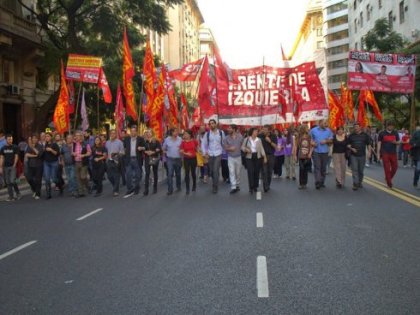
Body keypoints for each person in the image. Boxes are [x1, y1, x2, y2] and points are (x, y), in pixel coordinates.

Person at [201, 119, 225, 194]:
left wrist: (224, 152)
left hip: (218, 153)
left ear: (216, 124)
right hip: (210, 154)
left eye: (213, 123)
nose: (211, 125)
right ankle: (216, 177)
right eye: (210, 124)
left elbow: (224, 142)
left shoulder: (221, 133)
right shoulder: (207, 134)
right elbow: (203, 144)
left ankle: (215, 186)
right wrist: (205, 153)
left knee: (215, 170)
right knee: (211, 171)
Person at [242, 128, 267, 194]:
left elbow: (261, 148)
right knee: (250, 171)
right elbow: (242, 147)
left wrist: (264, 157)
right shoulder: (247, 139)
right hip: (249, 156)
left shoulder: (259, 140)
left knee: (256, 171)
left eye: (257, 131)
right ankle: (251, 187)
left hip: (257, 156)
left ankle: (255, 186)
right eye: (255, 131)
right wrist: (246, 150)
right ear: (252, 132)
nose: (257, 132)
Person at [347, 123, 372, 190]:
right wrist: (352, 148)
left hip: (362, 155)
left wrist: (369, 152)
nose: (356, 128)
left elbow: (369, 144)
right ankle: (355, 184)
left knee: (360, 170)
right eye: (355, 127)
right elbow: (348, 145)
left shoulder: (365, 135)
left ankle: (360, 182)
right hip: (353, 156)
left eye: (357, 127)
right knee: (354, 170)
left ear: (360, 127)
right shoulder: (351, 135)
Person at [310, 119, 333, 189]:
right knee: (317, 167)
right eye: (324, 123)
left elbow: (332, 140)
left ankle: (322, 181)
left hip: (325, 152)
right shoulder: (313, 130)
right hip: (316, 151)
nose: (325, 124)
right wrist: (312, 143)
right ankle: (317, 181)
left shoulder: (328, 131)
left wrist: (326, 141)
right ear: (320, 123)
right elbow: (309, 139)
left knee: (323, 168)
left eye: (326, 123)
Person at [123, 125, 145, 197]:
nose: (132, 133)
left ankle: (136, 188)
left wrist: (141, 148)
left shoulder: (140, 139)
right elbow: (124, 148)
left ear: (136, 132)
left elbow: (146, 147)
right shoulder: (126, 139)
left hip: (137, 159)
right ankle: (130, 189)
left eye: (134, 131)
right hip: (129, 159)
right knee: (128, 175)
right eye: (131, 131)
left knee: (137, 175)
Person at [377, 121, 400, 188]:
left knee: (395, 167)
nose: (391, 127)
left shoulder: (395, 133)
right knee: (387, 168)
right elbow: (379, 144)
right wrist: (378, 153)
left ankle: (387, 178)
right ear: (387, 126)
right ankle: (389, 183)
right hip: (385, 153)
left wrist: (395, 142)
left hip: (393, 153)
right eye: (390, 126)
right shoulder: (382, 133)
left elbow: (398, 142)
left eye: (392, 126)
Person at [223, 124, 243, 194]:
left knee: (238, 172)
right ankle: (233, 186)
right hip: (230, 157)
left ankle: (237, 184)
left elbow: (243, 145)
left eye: (230, 128)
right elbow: (225, 148)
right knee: (231, 172)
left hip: (238, 157)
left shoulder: (240, 136)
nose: (228, 129)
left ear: (234, 129)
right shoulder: (226, 138)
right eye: (228, 128)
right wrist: (229, 148)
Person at [0, 134, 21, 201]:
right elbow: (2, 158)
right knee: (8, 182)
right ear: (6, 140)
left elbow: (16, 156)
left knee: (12, 180)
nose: (10, 140)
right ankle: (11, 196)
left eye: (11, 139)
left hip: (12, 166)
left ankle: (18, 193)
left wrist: (14, 164)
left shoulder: (15, 147)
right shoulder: (3, 148)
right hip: (5, 167)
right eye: (9, 139)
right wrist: (0, 167)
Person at [162, 128, 182, 195]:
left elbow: (183, 148)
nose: (176, 133)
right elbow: (163, 148)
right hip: (170, 159)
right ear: (172, 132)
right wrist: (165, 152)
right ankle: (170, 190)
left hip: (178, 159)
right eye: (175, 131)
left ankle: (178, 186)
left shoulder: (180, 139)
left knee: (178, 174)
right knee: (170, 174)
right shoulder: (167, 139)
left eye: (177, 131)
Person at [105, 130, 125, 196]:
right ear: (110, 134)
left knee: (116, 176)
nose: (112, 135)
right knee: (109, 176)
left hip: (116, 161)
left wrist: (117, 153)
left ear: (116, 135)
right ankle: (115, 185)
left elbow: (123, 152)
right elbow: (106, 152)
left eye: (114, 133)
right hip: (109, 161)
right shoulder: (107, 143)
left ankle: (115, 190)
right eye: (111, 133)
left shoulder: (119, 142)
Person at [72, 131, 92, 197]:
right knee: (78, 178)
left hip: (83, 162)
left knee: (83, 177)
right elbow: (72, 152)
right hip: (76, 162)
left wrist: (84, 155)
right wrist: (73, 153)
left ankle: (88, 186)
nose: (77, 137)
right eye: (76, 135)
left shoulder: (86, 144)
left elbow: (89, 152)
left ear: (81, 136)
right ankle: (81, 192)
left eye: (78, 135)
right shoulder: (74, 144)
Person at [25, 134, 44, 199]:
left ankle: (38, 194)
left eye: (36, 138)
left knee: (38, 180)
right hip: (30, 165)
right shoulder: (29, 146)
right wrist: (35, 155)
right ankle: (35, 190)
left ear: (37, 139)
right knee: (29, 178)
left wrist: (33, 148)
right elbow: (27, 154)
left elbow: (39, 154)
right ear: (32, 139)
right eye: (33, 138)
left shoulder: (40, 146)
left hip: (39, 165)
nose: (34, 139)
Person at [180, 129, 199, 195]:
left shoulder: (194, 141)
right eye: (184, 134)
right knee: (187, 173)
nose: (184, 135)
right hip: (186, 159)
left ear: (189, 135)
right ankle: (187, 188)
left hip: (194, 158)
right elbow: (181, 151)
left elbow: (197, 149)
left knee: (193, 173)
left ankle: (194, 185)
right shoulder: (183, 142)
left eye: (185, 134)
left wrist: (200, 151)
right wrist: (186, 153)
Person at [259, 125, 277, 192]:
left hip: (271, 155)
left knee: (269, 172)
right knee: (264, 171)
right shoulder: (260, 136)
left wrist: (270, 141)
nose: (264, 131)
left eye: (265, 129)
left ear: (269, 130)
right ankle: (265, 187)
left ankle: (268, 185)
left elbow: (276, 147)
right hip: (263, 156)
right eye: (263, 129)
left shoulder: (273, 136)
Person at [143, 129, 161, 196]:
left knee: (155, 172)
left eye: (149, 132)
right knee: (147, 173)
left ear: (152, 133)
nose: (148, 133)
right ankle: (146, 189)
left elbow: (159, 149)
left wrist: (153, 152)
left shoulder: (156, 141)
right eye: (147, 132)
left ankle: (155, 187)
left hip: (154, 157)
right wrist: (146, 152)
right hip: (147, 158)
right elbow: (143, 149)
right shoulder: (144, 141)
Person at [295, 125, 313, 189]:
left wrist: (310, 153)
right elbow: (296, 146)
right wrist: (295, 155)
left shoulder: (309, 136)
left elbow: (311, 145)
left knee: (305, 170)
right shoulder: (298, 136)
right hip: (300, 155)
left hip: (307, 155)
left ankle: (304, 183)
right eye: (307, 128)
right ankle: (301, 183)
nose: (308, 129)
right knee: (301, 169)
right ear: (303, 129)